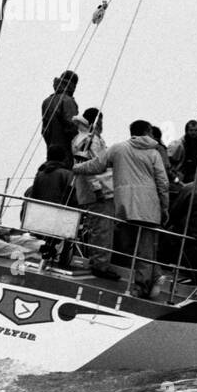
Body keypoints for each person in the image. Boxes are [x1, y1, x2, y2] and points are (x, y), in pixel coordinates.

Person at [73, 119, 169, 298]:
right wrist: (165, 207)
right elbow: (163, 183)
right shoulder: (154, 154)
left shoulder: (118, 149)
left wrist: (77, 167)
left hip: (125, 205)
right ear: (148, 131)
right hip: (150, 207)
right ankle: (144, 285)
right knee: (145, 248)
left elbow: (96, 165)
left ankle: (153, 276)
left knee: (129, 245)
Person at [71, 108, 118, 280]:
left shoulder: (81, 138)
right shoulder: (91, 140)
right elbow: (91, 166)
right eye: (101, 121)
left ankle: (97, 261)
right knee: (102, 229)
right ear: (95, 122)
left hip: (90, 192)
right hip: (99, 192)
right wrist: (98, 189)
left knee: (97, 228)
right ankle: (100, 265)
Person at [40, 70, 79, 164]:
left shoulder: (47, 101)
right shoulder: (68, 101)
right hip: (65, 153)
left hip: (51, 151)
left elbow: (45, 130)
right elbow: (72, 126)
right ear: (73, 85)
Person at [168, 119, 197, 184]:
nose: (193, 133)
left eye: (195, 130)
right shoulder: (180, 144)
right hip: (183, 174)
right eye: (191, 130)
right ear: (187, 131)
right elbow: (171, 160)